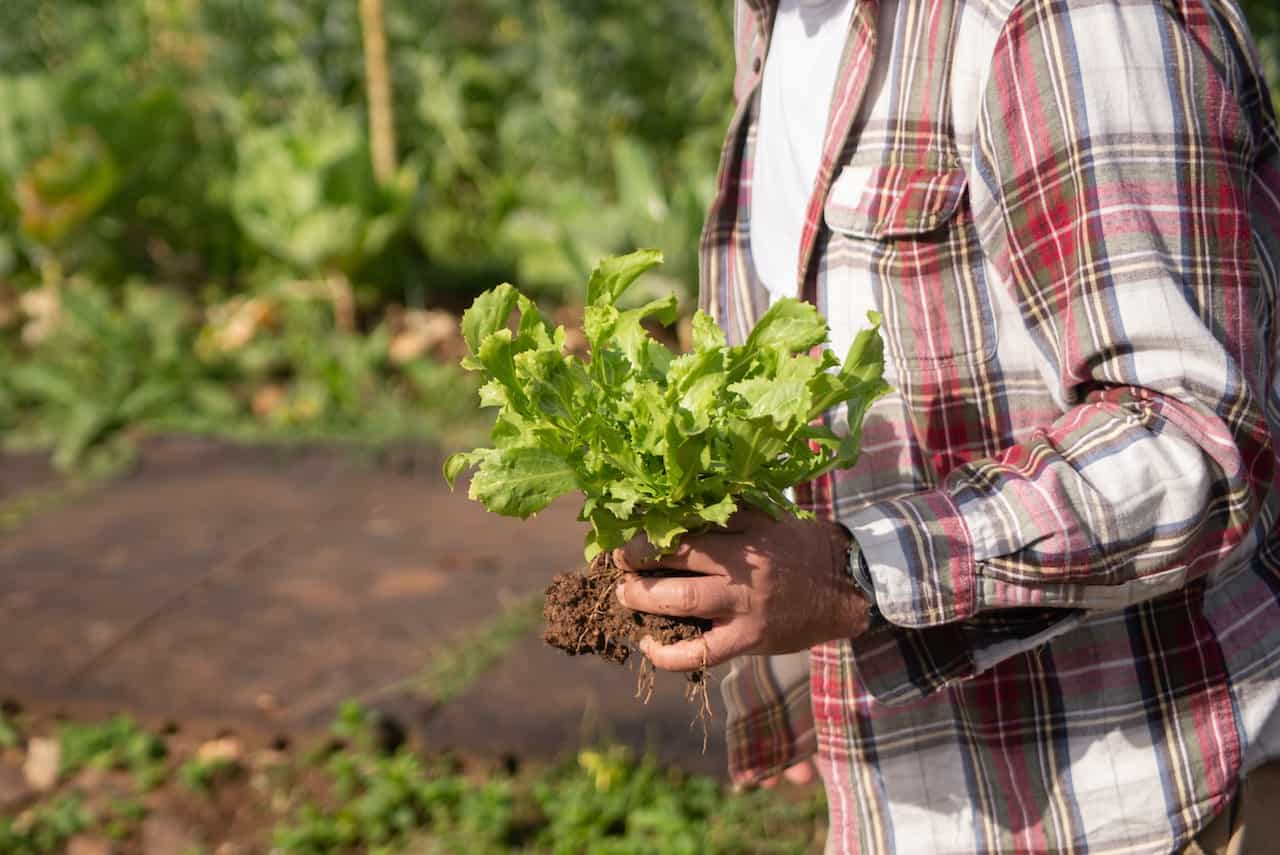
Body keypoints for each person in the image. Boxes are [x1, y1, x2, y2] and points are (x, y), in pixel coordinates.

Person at [612, 0, 1280, 852]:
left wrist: (850, 574)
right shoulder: (774, 20)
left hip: (1145, 798)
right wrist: (788, 675)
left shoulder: (1062, 18)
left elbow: (1186, 439)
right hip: (917, 792)